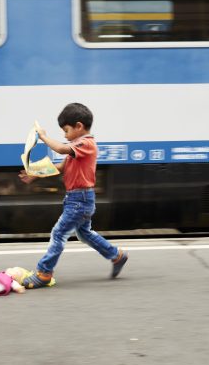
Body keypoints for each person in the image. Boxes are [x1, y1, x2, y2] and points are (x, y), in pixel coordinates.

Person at [18, 103, 128, 288]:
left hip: (80, 200)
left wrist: (44, 137)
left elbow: (61, 149)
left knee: (59, 233)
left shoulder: (87, 144)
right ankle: (117, 256)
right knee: (84, 234)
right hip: (77, 199)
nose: (64, 135)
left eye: (66, 130)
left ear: (79, 126)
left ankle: (44, 272)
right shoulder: (77, 147)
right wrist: (34, 174)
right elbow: (61, 167)